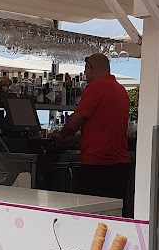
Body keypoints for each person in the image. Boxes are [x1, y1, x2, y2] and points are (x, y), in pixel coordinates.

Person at [56, 53, 131, 201]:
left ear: (92, 68)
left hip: (97, 163)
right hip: (120, 164)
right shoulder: (121, 90)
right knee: (112, 213)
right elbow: (105, 126)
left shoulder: (96, 87)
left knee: (91, 213)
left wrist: (61, 136)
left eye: (86, 69)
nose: (84, 73)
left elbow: (76, 121)